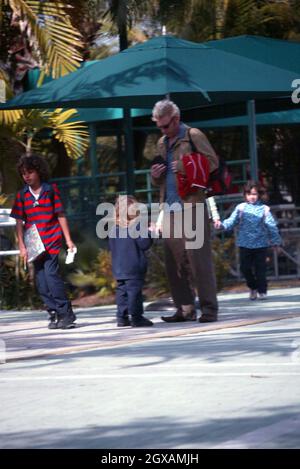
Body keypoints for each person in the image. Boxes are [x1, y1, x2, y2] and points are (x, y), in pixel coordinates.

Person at [151, 99, 219, 323]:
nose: (162, 130)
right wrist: (156, 176)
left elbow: (213, 162)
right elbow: (162, 180)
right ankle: (185, 308)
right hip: (169, 206)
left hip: (193, 205)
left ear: (176, 119)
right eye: (159, 126)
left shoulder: (193, 135)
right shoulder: (162, 142)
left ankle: (209, 309)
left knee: (199, 260)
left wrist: (183, 165)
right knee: (174, 263)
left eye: (165, 125)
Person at [11, 154, 77, 329]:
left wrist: (68, 240)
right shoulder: (22, 196)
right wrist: (22, 246)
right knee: (41, 282)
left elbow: (60, 215)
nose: (27, 176)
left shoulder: (50, 190)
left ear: (38, 172)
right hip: (34, 245)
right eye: (23, 173)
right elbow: (19, 221)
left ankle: (66, 314)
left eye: (30, 172)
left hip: (52, 240)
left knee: (52, 277)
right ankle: (54, 312)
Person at [214, 180, 281, 300]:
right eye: (249, 194)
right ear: (245, 195)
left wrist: (276, 242)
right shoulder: (241, 208)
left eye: (254, 194)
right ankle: (253, 287)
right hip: (245, 245)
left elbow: (272, 226)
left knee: (261, 270)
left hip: (261, 245)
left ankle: (262, 291)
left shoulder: (264, 209)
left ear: (258, 195)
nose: (252, 197)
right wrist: (221, 225)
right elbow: (231, 221)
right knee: (245, 268)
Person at [108, 195, 154, 327]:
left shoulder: (113, 228)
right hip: (134, 266)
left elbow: (111, 247)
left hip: (118, 266)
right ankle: (136, 317)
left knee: (121, 292)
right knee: (134, 293)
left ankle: (122, 317)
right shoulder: (137, 227)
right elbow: (144, 244)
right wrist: (150, 232)